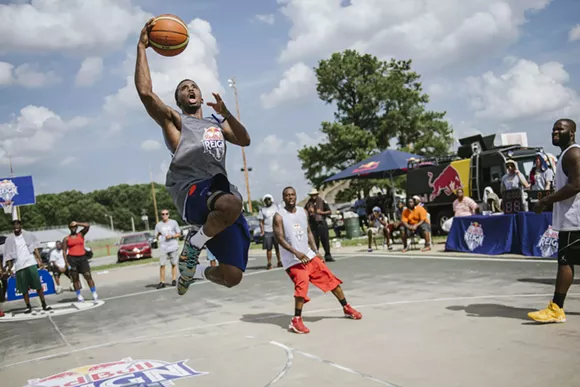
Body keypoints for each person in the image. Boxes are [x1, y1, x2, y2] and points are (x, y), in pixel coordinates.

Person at [135, 19, 252, 296]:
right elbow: (145, 93)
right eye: (184, 87)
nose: (190, 89)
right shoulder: (176, 122)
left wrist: (226, 113)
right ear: (177, 100)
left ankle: (193, 269)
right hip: (191, 190)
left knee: (232, 275)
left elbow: (245, 140)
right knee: (230, 202)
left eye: (194, 86)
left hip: (219, 194)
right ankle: (195, 244)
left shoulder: (216, 123)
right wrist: (142, 47)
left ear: (200, 96)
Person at [273, 187, 362, 334]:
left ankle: (346, 307)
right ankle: (296, 320)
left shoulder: (303, 212)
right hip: (293, 260)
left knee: (330, 278)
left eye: (293, 194)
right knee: (302, 282)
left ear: (296, 196)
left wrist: (315, 251)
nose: (290, 197)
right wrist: (296, 252)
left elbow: (308, 232)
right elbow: (280, 238)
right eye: (287, 195)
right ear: (283, 198)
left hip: (308, 255)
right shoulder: (279, 216)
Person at [529, 118, 580, 323]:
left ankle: (556, 308)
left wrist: (546, 201)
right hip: (573, 218)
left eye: (561, 129)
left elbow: (576, 185)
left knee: (565, 262)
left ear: (572, 133)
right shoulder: (565, 155)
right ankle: (556, 307)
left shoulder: (573, 153)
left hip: (575, 220)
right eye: (553, 129)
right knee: (565, 262)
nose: (555, 132)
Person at [3, 220, 52, 313]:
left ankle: (44, 304)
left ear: (21, 225)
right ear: (12, 227)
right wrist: (9, 268)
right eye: (14, 225)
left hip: (30, 262)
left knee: (37, 285)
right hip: (19, 265)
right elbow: (9, 255)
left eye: (18, 224)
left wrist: (39, 260)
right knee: (24, 288)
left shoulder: (28, 235)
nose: (16, 226)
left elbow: (35, 248)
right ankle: (28, 306)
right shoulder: (9, 239)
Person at [63, 221, 97, 302]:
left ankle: (94, 292)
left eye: (75, 227)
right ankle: (79, 295)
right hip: (72, 259)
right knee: (75, 278)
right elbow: (64, 251)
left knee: (87, 275)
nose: (73, 228)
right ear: (69, 228)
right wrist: (66, 263)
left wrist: (77, 223)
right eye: (72, 227)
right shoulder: (66, 238)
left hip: (82, 258)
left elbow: (87, 225)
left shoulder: (81, 234)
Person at [154, 209, 182, 289]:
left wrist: (172, 236)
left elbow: (179, 234)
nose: (165, 215)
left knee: (173, 263)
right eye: (163, 214)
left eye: (166, 213)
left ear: (169, 215)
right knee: (162, 264)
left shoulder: (173, 222)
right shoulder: (158, 225)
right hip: (163, 247)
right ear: (161, 215)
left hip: (173, 246)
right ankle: (162, 281)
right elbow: (156, 236)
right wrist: (158, 235)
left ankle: (174, 279)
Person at [304, 189, 334, 262]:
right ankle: (315, 256)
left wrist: (321, 212)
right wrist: (308, 211)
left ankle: (327, 254)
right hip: (313, 224)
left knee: (325, 239)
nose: (313, 196)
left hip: (321, 223)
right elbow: (304, 212)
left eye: (314, 195)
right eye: (312, 195)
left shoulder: (322, 201)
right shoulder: (308, 203)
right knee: (315, 240)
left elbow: (329, 211)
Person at [257, 194, 282, 269]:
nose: (267, 201)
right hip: (267, 231)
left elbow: (281, 217)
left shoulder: (276, 207)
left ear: (271, 199)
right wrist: (262, 231)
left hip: (276, 230)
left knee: (278, 247)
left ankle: (279, 261)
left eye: (269, 199)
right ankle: (269, 263)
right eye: (266, 200)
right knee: (269, 248)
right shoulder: (262, 210)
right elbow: (261, 221)